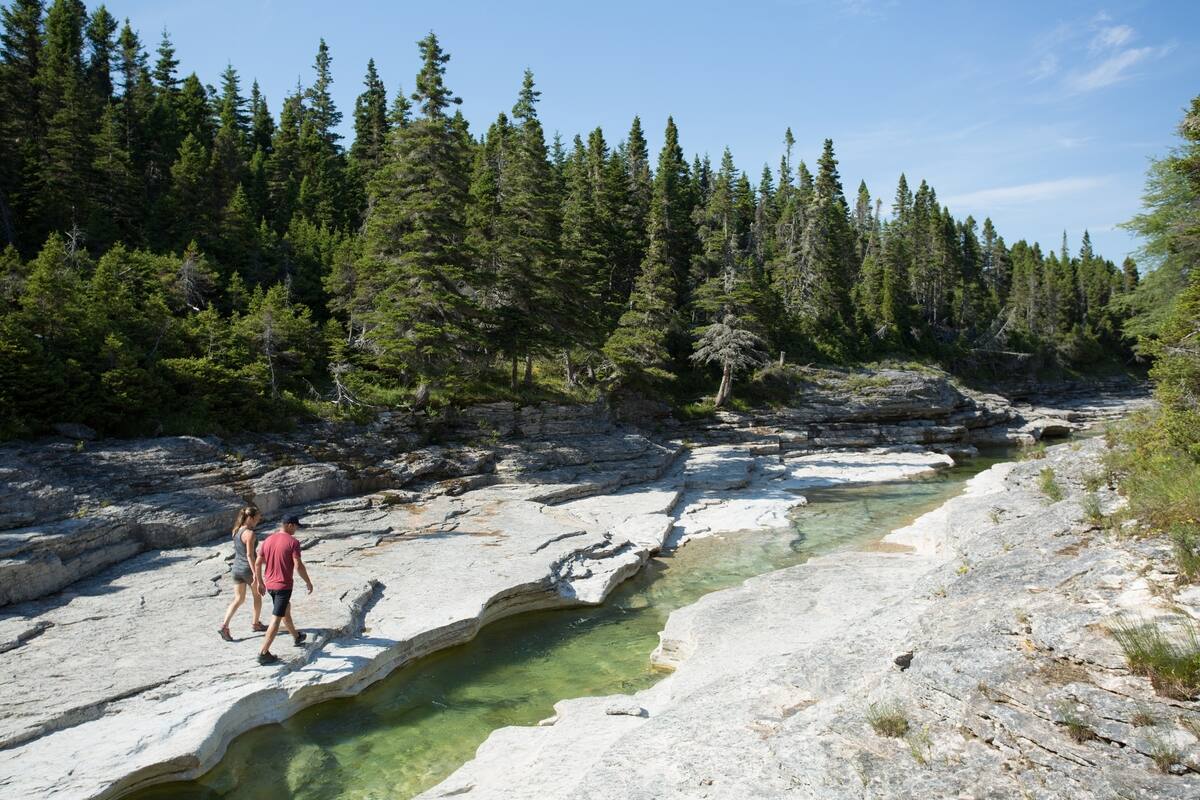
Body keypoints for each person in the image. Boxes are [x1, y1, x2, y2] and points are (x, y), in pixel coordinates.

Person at [253, 513, 313, 665]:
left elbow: (258, 563)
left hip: (270, 585)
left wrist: (260, 582)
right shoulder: (293, 542)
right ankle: (263, 653)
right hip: (283, 586)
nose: (296, 530)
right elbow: (298, 565)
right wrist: (308, 581)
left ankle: (297, 637)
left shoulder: (267, 540)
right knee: (276, 618)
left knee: (286, 608)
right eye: (296, 527)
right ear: (290, 525)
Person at [218, 505, 267, 641]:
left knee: (238, 599)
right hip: (247, 569)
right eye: (256, 519)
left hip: (236, 569)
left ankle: (224, 626)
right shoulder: (250, 534)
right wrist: (257, 576)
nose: (258, 521)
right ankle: (256, 624)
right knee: (257, 597)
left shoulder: (236, 530)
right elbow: (250, 556)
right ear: (250, 518)